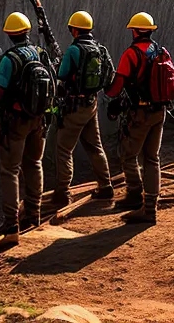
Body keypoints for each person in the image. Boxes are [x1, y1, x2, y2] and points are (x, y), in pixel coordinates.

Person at [0, 12, 56, 244]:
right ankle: (34, 215)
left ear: (9, 35)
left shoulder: (8, 59)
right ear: (27, 32)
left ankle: (11, 224)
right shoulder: (41, 54)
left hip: (16, 121)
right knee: (34, 163)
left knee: (10, 170)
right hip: (39, 118)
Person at [105, 12, 173, 226]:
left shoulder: (131, 54)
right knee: (152, 159)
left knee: (128, 154)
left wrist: (109, 93)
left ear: (134, 31)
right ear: (151, 30)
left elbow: (115, 88)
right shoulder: (161, 51)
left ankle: (134, 194)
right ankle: (150, 208)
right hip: (159, 112)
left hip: (140, 114)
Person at [52, 10, 115, 206]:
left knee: (64, 149)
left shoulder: (74, 50)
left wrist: (58, 64)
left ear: (75, 30)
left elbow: (61, 75)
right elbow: (110, 75)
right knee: (95, 146)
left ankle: (63, 193)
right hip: (91, 104)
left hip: (74, 106)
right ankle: (105, 185)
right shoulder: (99, 49)